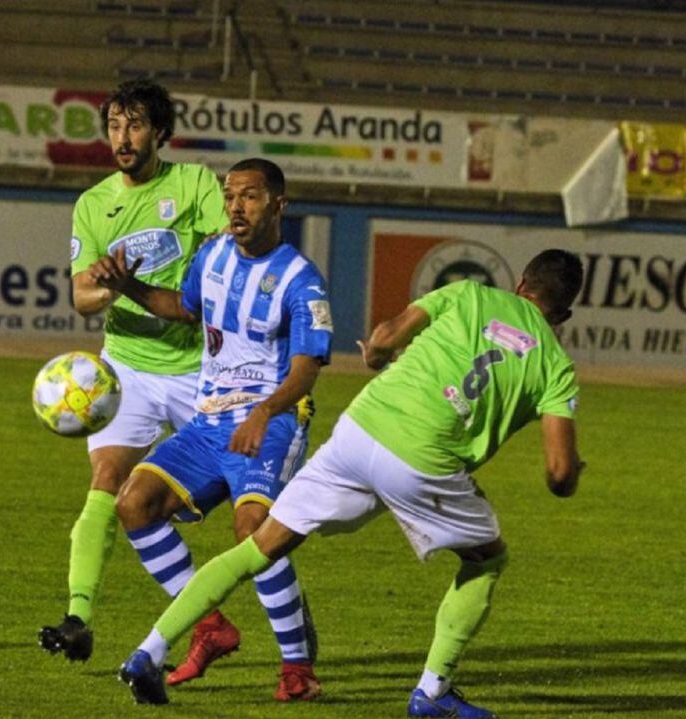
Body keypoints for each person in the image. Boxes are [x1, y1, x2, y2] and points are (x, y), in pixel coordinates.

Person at [114, 249, 587, 717]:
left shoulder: (468, 293)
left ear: (521, 284)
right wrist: (572, 476)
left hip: (360, 429)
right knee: (486, 560)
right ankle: (433, 691)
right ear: (563, 313)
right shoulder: (556, 369)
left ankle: (149, 652)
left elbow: (383, 339)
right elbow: (559, 473)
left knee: (262, 545)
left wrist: (378, 355)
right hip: (424, 460)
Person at [90, 157, 331, 701]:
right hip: (208, 422)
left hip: (271, 421)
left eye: (249, 197)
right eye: (229, 197)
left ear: (278, 205)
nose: (236, 207)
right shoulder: (213, 254)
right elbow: (184, 307)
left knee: (253, 531)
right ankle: (210, 625)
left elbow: (307, 368)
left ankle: (298, 669)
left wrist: (265, 412)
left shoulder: (301, 279)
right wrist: (126, 284)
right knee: (134, 503)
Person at [39, 79, 242, 665]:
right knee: (106, 483)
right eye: (115, 127)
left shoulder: (195, 184)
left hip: (202, 368)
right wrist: (105, 287)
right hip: (128, 367)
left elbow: (222, 255)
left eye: (135, 126)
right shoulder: (93, 203)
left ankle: (293, 638)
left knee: (255, 508)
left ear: (159, 131)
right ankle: (80, 617)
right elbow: (79, 298)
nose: (123, 139)